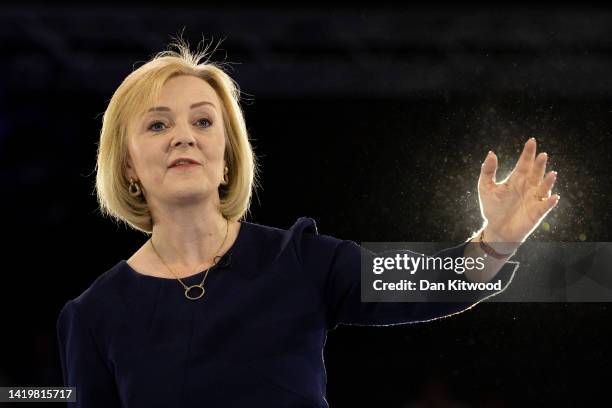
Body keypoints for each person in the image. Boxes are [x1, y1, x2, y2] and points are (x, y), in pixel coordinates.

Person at [56, 38, 560, 407]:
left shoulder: (299, 260)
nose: (184, 136)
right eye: (158, 123)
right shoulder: (95, 315)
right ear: (126, 165)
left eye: (204, 121)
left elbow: (433, 282)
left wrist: (499, 238)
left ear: (227, 157)